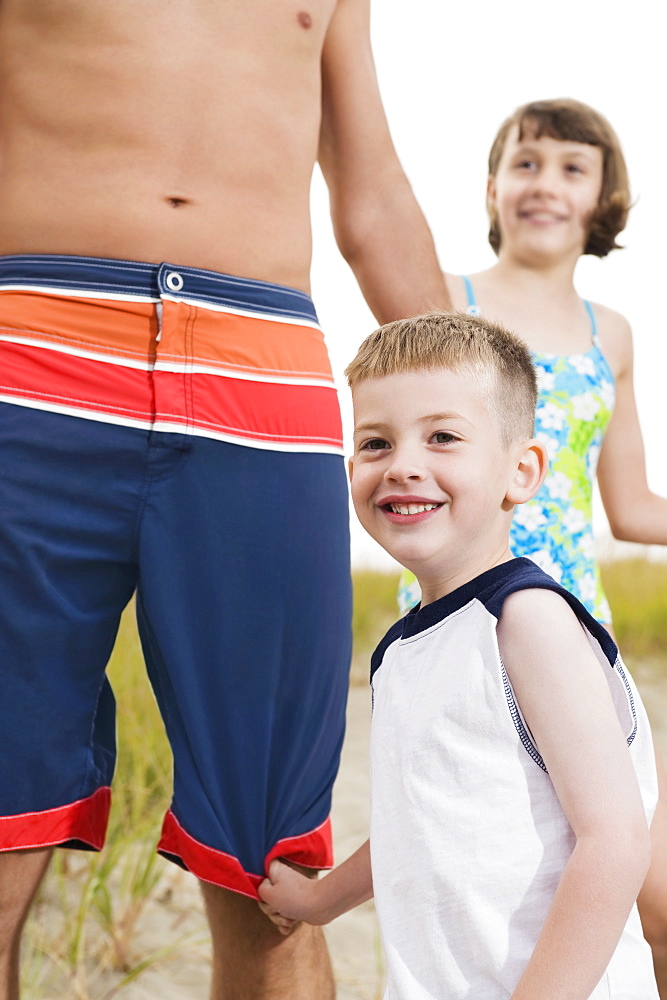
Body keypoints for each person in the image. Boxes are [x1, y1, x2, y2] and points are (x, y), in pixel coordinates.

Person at [0, 3, 451, 998]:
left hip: (262, 383)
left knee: (272, 874)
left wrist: (471, 401)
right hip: (31, 360)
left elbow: (371, 195)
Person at [258, 311, 660, 999]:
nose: (403, 466)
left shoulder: (527, 620)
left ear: (521, 470)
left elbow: (615, 838)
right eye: (376, 443)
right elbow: (420, 822)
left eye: (442, 437)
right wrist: (320, 901)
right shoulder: (402, 646)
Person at [394, 98, 667, 992]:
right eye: (525, 162)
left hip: (573, 630)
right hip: (466, 621)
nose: (543, 183)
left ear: (603, 198)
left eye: (570, 167)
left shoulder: (610, 334)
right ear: (492, 187)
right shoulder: (445, 297)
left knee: (652, 890)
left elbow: (628, 505)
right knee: (490, 862)